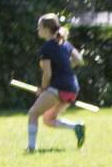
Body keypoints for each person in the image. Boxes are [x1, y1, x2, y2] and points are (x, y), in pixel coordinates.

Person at [27, 13, 86, 152]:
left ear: (47, 29)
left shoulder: (46, 48)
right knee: (48, 119)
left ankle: (31, 148)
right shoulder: (65, 43)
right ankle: (77, 127)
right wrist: (63, 66)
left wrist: (42, 88)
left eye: (39, 27)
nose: (37, 29)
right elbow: (79, 60)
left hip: (58, 88)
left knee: (33, 113)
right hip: (72, 88)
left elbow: (47, 74)